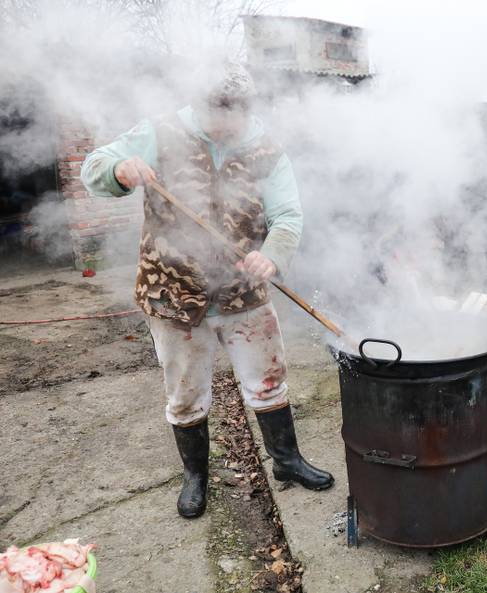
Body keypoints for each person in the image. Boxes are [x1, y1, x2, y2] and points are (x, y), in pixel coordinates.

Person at [80, 63, 333, 519]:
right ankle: (196, 476)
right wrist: (119, 169)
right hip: (172, 292)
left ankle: (288, 462)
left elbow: (288, 215)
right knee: (184, 392)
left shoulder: (266, 149)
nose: (224, 127)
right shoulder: (159, 133)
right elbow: (93, 169)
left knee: (269, 380)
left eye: (233, 117)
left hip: (243, 293)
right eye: (215, 115)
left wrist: (272, 254)